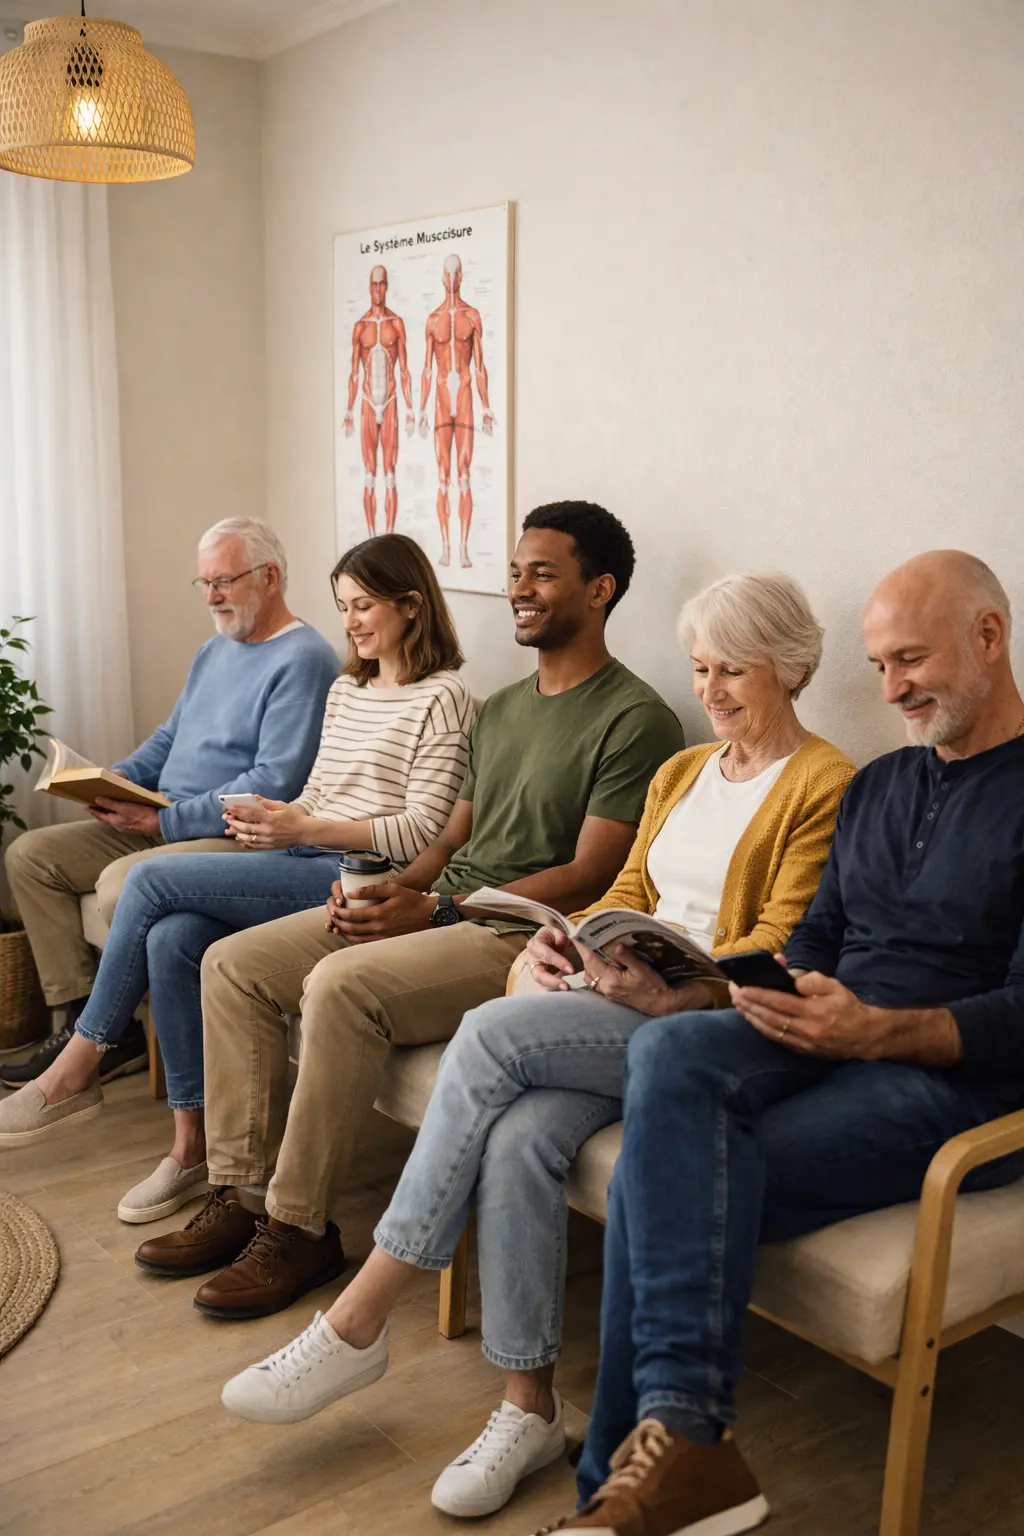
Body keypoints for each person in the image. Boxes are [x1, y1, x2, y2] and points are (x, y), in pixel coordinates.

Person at [217, 571, 856, 1524]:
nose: (713, 691)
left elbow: (781, 943)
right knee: (519, 1135)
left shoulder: (826, 782)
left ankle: (360, 1316)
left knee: (488, 1037)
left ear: (792, 668)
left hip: (703, 1025)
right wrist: (569, 937)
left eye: (735, 672)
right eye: (701, 669)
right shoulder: (684, 770)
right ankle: (528, 1409)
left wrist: (681, 986)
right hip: (619, 995)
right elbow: (628, 888)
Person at [521, 550, 1024, 1536]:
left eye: (909, 661)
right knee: (671, 1053)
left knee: (660, 1178)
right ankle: (684, 1458)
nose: (889, 688)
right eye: (879, 665)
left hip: (955, 1081)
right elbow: (813, 942)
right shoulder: (879, 785)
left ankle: (636, 1482)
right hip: (820, 1030)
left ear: (988, 637)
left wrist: (877, 1028)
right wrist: (720, 996)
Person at [136, 500, 685, 1318]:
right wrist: (396, 887)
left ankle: (300, 1228)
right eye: (514, 572)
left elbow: (588, 874)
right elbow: (448, 837)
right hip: (450, 902)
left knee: (340, 988)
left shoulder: (636, 717)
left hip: (517, 934)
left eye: (543, 572)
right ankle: (243, 1194)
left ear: (600, 589)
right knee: (232, 964)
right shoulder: (501, 709)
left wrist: (439, 910)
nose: (520, 589)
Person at [0, 537, 474, 1208]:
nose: (352, 622)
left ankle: (80, 1065)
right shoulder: (348, 688)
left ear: (412, 604)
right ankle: (190, 1149)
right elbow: (317, 794)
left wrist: (303, 828)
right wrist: (280, 815)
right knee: (173, 936)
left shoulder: (447, 699)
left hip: (364, 876)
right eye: (344, 607)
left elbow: (421, 832)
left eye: (364, 606)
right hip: (300, 851)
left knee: (148, 881)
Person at [2, 518, 337, 1092]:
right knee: (32, 856)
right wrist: (117, 778)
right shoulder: (217, 648)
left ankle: (98, 1040)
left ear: (270, 576)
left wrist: (163, 819)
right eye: (203, 583)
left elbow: (273, 782)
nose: (211, 597)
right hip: (158, 814)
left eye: (223, 582)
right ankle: (98, 1025)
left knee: (118, 886)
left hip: (222, 832)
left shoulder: (304, 660)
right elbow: (171, 735)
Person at [418, 253, 494, 568]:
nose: (451, 278)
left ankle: (462, 547)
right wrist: (420, 409)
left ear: (461, 275)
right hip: (439, 401)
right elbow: (425, 368)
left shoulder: (472, 316)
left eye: (455, 272)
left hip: (462, 396)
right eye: (446, 273)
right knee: (442, 475)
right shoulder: (433, 319)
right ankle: (446, 547)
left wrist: (487, 406)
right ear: (442, 277)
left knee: (463, 475)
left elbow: (479, 365)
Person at [343, 266, 415, 535]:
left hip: (391, 401)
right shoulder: (360, 326)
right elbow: (353, 372)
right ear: (368, 286)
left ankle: (389, 535)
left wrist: (410, 408)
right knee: (370, 474)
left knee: (390, 472)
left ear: (387, 286)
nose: (377, 289)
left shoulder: (396, 323)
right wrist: (349, 411)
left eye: (382, 284)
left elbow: (405, 370)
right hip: (366, 402)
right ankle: (372, 536)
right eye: (373, 284)